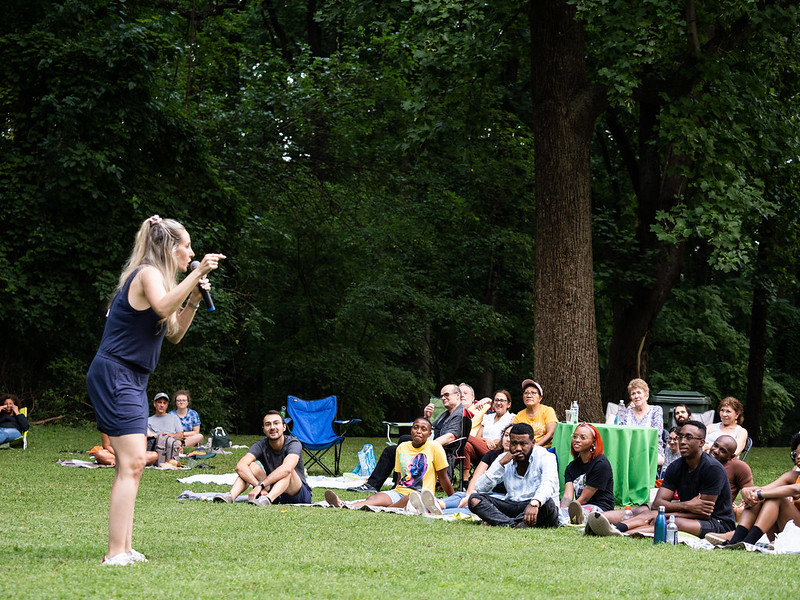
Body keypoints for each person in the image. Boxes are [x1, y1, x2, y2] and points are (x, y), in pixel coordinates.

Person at [85, 214, 224, 566]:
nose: (191, 253)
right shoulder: (148, 274)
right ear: (169, 247)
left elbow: (174, 330)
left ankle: (125, 548)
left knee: (130, 466)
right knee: (131, 463)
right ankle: (115, 553)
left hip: (132, 377)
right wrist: (197, 273)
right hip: (117, 372)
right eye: (187, 246)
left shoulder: (160, 282)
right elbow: (163, 306)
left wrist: (192, 297)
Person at [586, 420, 735, 540]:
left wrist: (669, 513)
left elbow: (703, 513)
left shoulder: (712, 469)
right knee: (647, 511)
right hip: (689, 513)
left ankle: (619, 532)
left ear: (702, 442)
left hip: (717, 522)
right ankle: (602, 523)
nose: (682, 441)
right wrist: (687, 505)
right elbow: (658, 504)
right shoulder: (676, 466)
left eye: (689, 437)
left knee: (669, 521)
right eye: (681, 436)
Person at [347, 384, 465, 493]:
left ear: (457, 395)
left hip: (440, 453)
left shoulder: (460, 414)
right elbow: (429, 430)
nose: (443, 398)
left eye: (446, 395)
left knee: (404, 440)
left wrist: (428, 446)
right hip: (427, 450)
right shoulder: (446, 414)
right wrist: (426, 417)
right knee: (391, 451)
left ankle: (398, 483)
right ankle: (373, 485)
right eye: (442, 396)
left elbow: (450, 436)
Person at [325, 417, 454, 510]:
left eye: (423, 429)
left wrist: (452, 499)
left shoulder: (434, 447)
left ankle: (389, 508)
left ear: (429, 434)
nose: (419, 431)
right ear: (411, 430)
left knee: (411, 497)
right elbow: (399, 477)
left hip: (420, 494)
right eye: (416, 427)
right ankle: (343, 504)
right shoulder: (402, 447)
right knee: (374, 499)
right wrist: (390, 494)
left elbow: (443, 478)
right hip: (399, 491)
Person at [709, 432, 800, 547]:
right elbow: (763, 489)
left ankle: (748, 542)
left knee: (775, 498)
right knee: (760, 498)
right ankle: (736, 540)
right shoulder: (792, 476)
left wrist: (760, 494)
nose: (799, 457)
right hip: (783, 532)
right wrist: (748, 491)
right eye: (797, 453)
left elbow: (796, 489)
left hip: (797, 533)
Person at [467, 423, 561, 528]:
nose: (518, 448)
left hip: (536, 505)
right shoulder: (504, 458)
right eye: (514, 443)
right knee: (474, 499)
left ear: (533, 443)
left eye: (523, 444)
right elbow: (480, 487)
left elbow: (548, 484)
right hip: (513, 505)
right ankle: (513, 524)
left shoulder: (546, 457)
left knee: (548, 504)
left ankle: (503, 522)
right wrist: (500, 465)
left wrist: (535, 502)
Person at [213, 411, 311, 506]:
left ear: (284, 427)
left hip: (297, 493)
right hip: (273, 489)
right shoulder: (260, 445)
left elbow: (287, 469)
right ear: (264, 429)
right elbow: (240, 466)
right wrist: (258, 485)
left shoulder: (293, 443)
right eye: (268, 424)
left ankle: (267, 500)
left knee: (287, 471)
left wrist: (261, 485)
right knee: (251, 466)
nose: (272, 427)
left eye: (276, 423)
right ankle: (230, 497)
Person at [419, 424, 514, 515]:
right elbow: (476, 477)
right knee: (460, 495)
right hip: (483, 492)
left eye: (511, 437)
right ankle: (435, 504)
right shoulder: (492, 454)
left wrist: (471, 499)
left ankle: (440, 512)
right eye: (506, 435)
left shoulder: (519, 459)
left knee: (478, 503)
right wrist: (469, 496)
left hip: (500, 496)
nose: (508, 439)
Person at [559, 423, 614, 524]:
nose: (577, 440)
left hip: (600, 508)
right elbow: (567, 496)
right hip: (579, 507)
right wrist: (562, 509)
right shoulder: (571, 467)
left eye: (583, 437)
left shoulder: (601, 464)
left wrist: (568, 511)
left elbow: (584, 498)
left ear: (593, 442)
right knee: (556, 510)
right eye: (575, 436)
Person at [616, 378, 664, 465]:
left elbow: (656, 433)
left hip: (651, 449)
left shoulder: (656, 410)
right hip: (629, 450)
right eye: (633, 394)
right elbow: (622, 433)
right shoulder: (626, 413)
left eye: (639, 392)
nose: (636, 396)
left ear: (646, 395)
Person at [511, 379, 557, 447]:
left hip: (545, 449)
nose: (529, 395)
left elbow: (551, 433)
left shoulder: (548, 411)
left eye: (533, 393)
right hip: (524, 450)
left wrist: (535, 446)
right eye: (526, 393)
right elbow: (514, 436)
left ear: (540, 398)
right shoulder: (519, 415)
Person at [710, 434, 753, 502]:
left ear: (731, 457)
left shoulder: (738, 467)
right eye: (715, 446)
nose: (716, 451)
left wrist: (739, 509)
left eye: (722, 451)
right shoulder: (700, 460)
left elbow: (750, 493)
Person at [94, 433, 158, 467]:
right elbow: (107, 446)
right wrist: (120, 455)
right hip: (115, 454)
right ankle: (130, 463)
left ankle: (122, 463)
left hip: (133, 455)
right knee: (99, 454)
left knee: (154, 455)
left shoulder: (138, 424)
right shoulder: (108, 423)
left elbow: (143, 447)